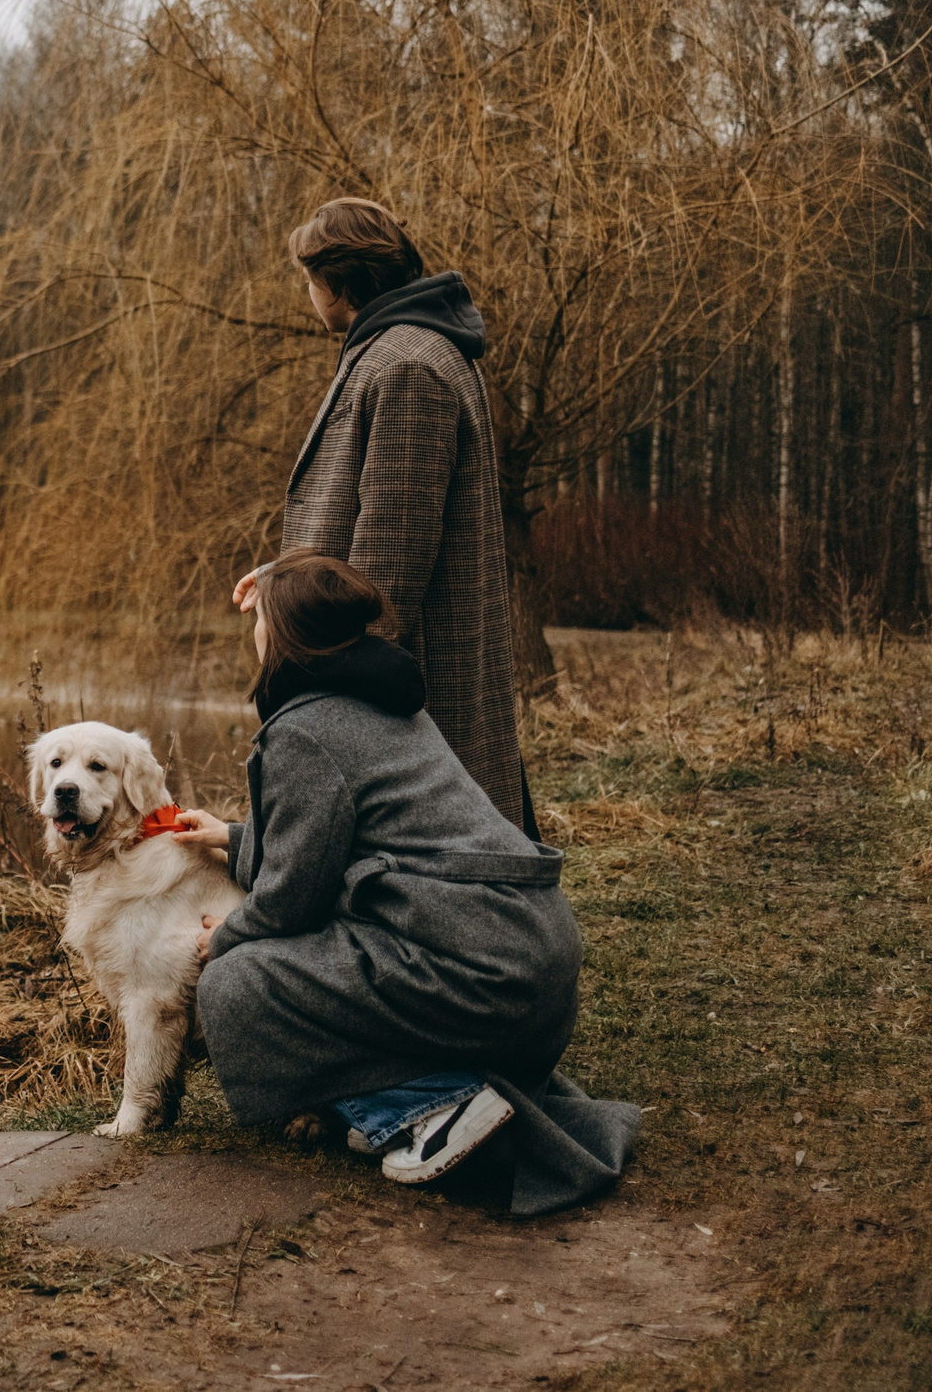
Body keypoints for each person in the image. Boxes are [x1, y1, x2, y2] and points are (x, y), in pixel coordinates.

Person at [175, 552, 636, 1213]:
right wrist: (233, 836)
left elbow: (292, 898)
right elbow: (351, 838)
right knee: (290, 960)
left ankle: (431, 1108)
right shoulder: (379, 697)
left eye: (262, 615)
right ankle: (434, 1095)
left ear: (278, 630)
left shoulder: (306, 728)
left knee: (237, 983)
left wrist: (231, 933)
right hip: (529, 960)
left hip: (477, 970)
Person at [234, 198, 533, 835]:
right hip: (392, 685)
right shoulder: (395, 348)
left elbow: (387, 572)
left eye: (310, 278)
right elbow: (361, 515)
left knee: (443, 870)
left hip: (413, 688)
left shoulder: (405, 367)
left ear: (338, 281)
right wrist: (279, 578)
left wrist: (341, 681)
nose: (307, 292)